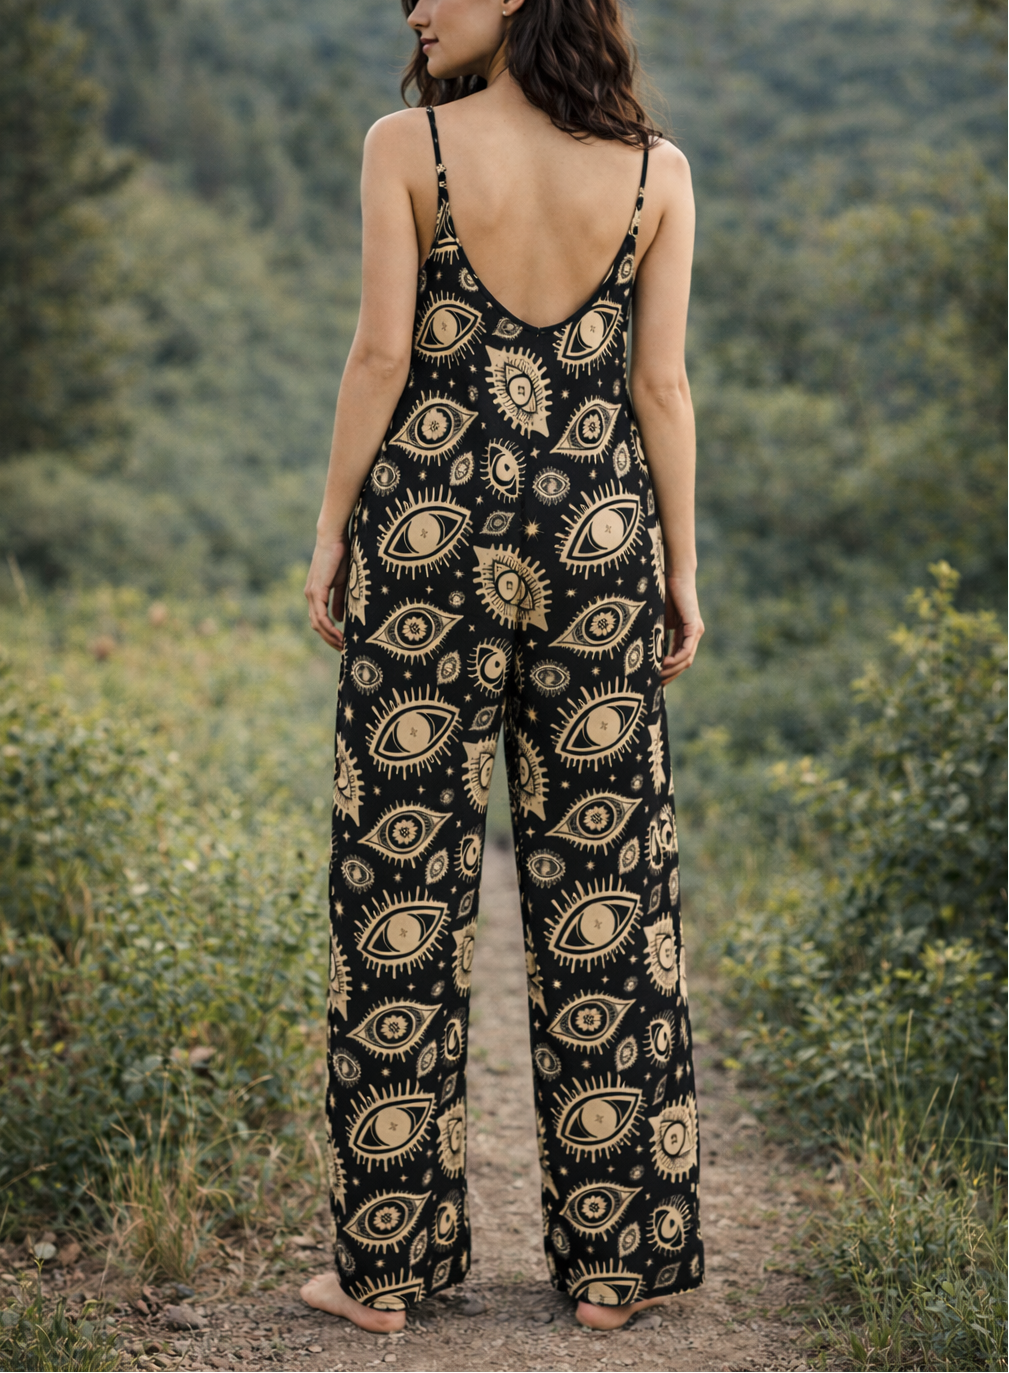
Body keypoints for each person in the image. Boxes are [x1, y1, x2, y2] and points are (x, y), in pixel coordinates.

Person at [301, 0, 704, 1335]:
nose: (413, 5)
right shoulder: (657, 173)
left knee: (397, 891)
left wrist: (331, 532)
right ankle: (616, 1267)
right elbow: (662, 390)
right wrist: (679, 570)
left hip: (429, 542)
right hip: (599, 551)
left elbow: (380, 354)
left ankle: (387, 1271)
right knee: (609, 888)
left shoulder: (406, 144)